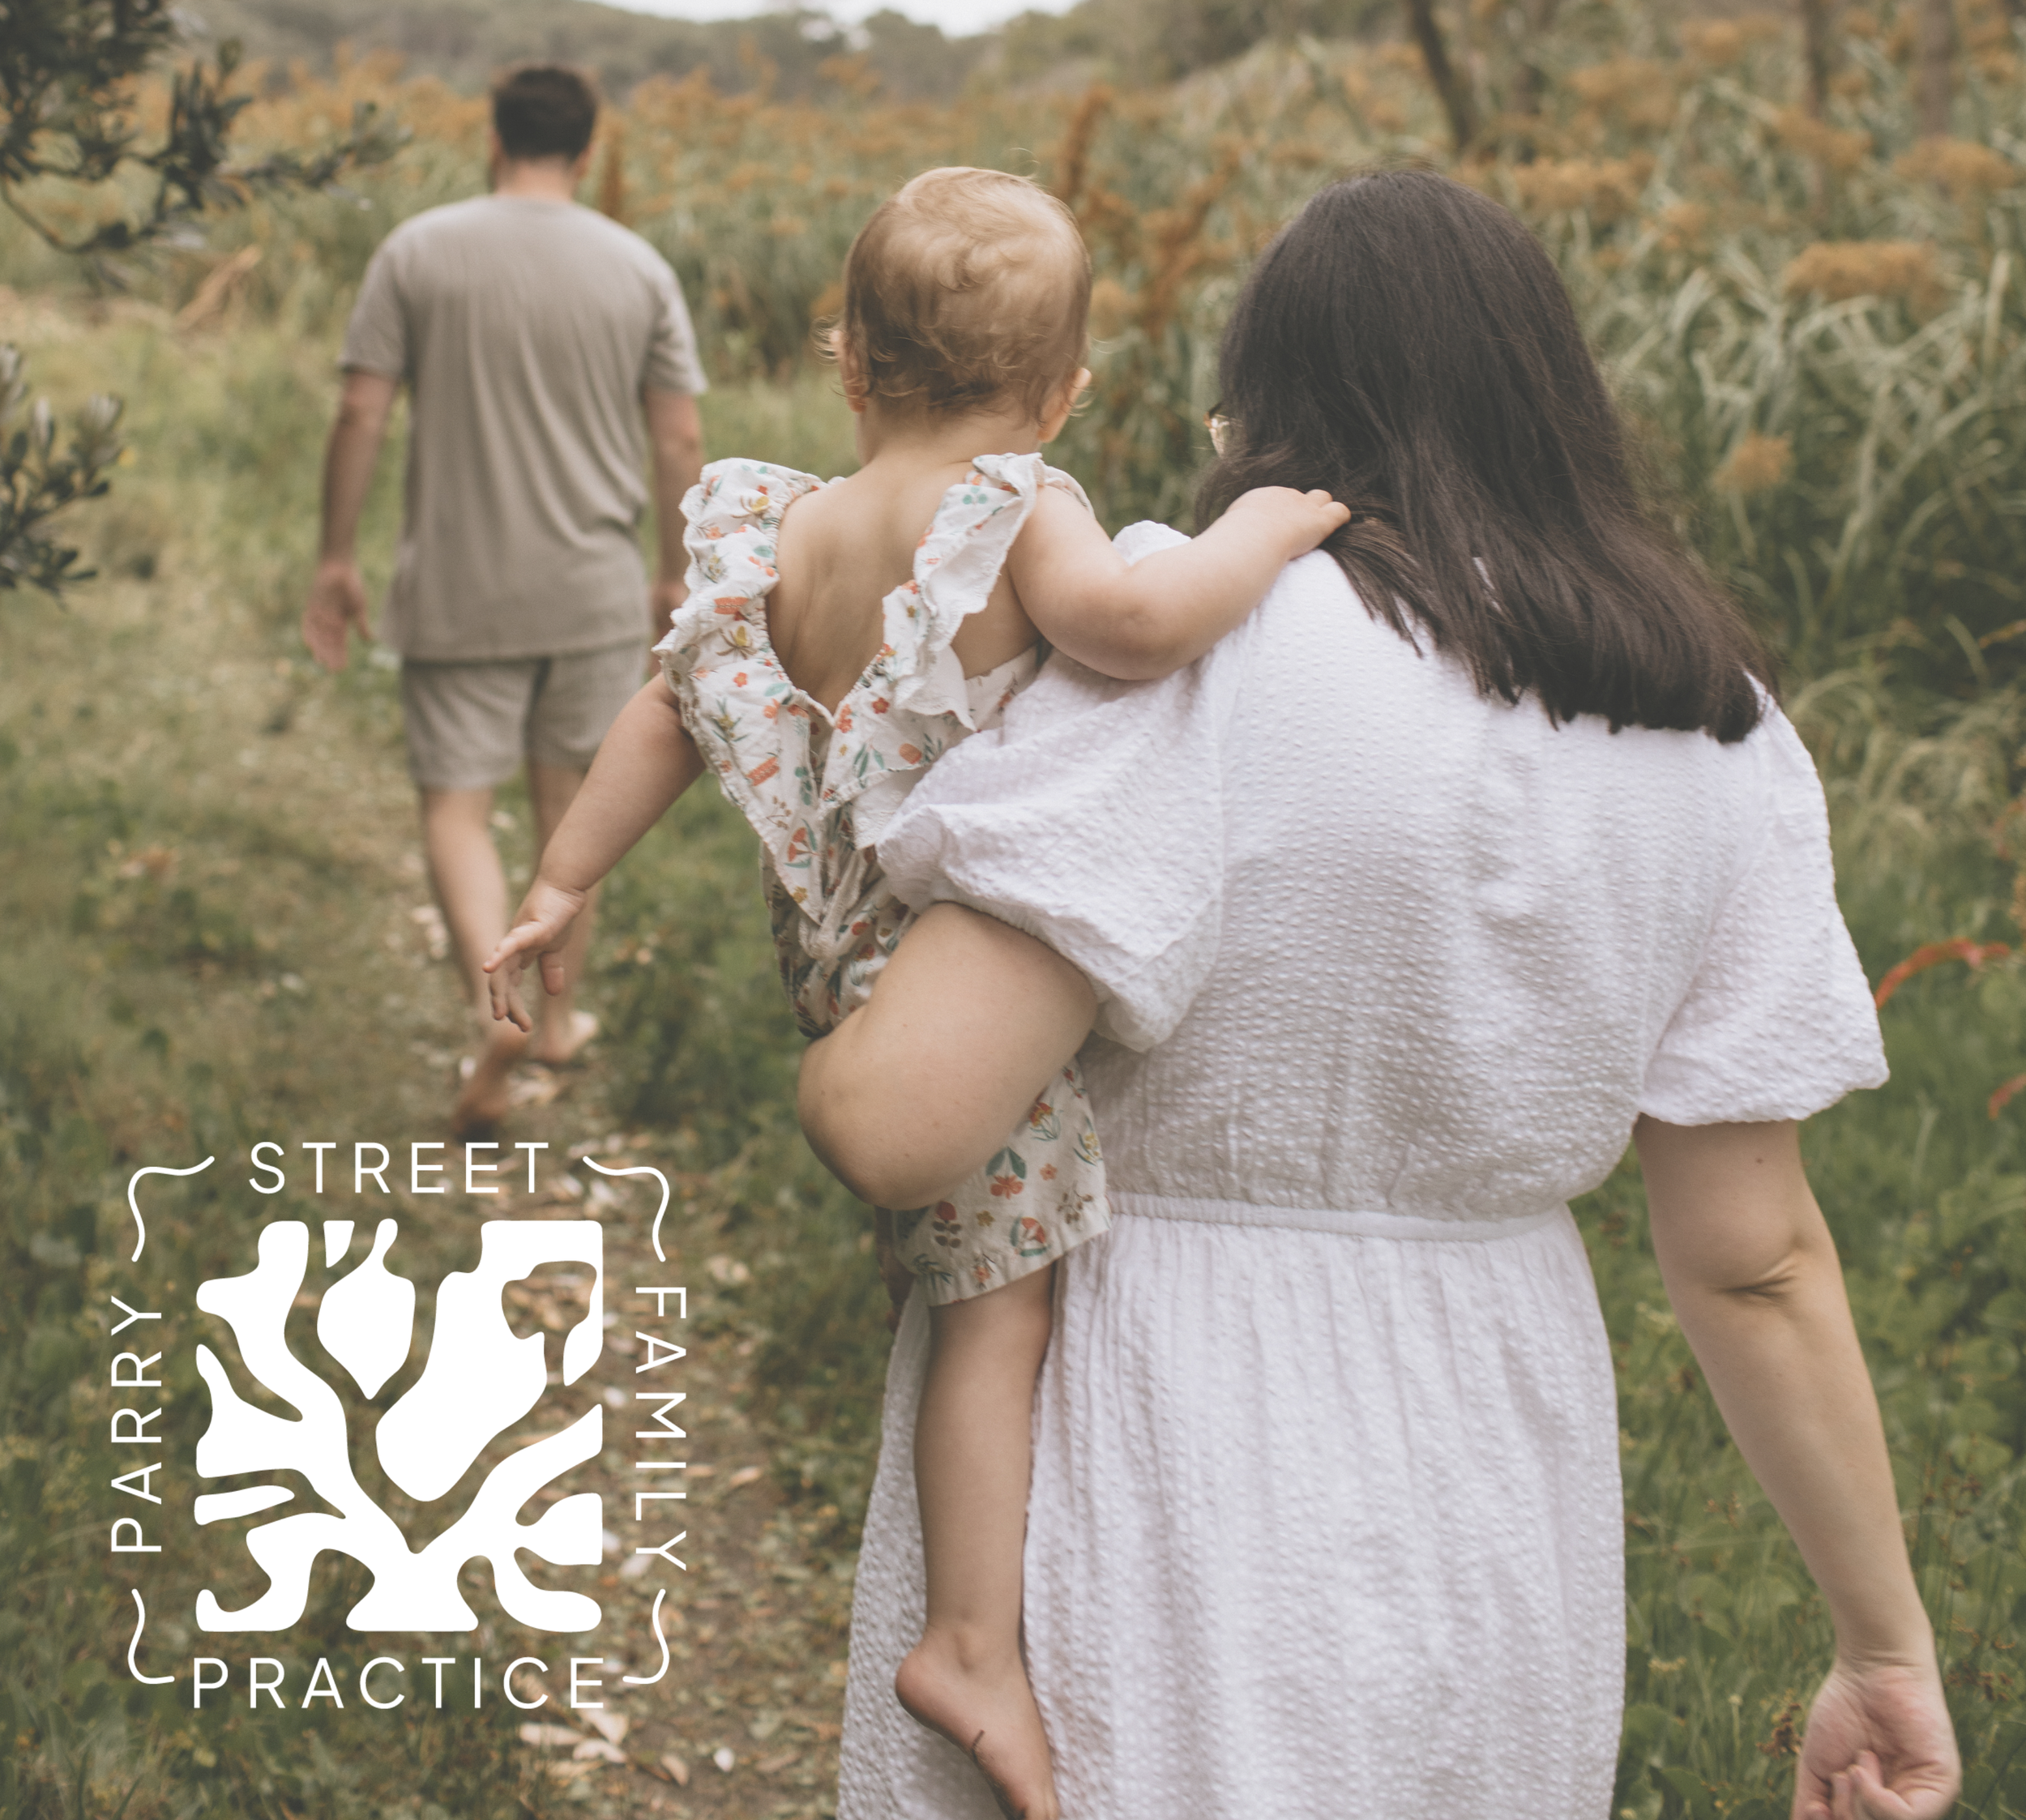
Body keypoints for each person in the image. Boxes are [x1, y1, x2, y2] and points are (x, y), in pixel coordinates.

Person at [797, 171, 1962, 1820]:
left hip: (1156, 1438)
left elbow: (900, 1121)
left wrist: (824, 1004)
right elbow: (1756, 1259)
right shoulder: (1716, 723)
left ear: (1269, 407)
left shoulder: (1193, 649)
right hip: (1498, 1455)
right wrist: (1883, 1644)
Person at [482, 167, 1345, 1820]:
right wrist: (1264, 526)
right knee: (997, 1310)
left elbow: (671, 707)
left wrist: (561, 881)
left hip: (829, 965)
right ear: (1064, 389)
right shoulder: (1012, 507)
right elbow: (1135, 621)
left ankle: (960, 1609)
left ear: (852, 364)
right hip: (943, 984)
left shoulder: (785, 526)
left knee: (956, 1285)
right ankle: (966, 1641)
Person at [302, 62, 706, 1134]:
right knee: (572, 815)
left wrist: (335, 556)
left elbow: (359, 413)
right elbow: (679, 437)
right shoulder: (639, 268)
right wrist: (674, 572)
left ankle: (496, 1013)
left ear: (493, 139)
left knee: (457, 811)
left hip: (456, 590)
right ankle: (556, 1022)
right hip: (592, 592)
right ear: (587, 150)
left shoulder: (416, 251)